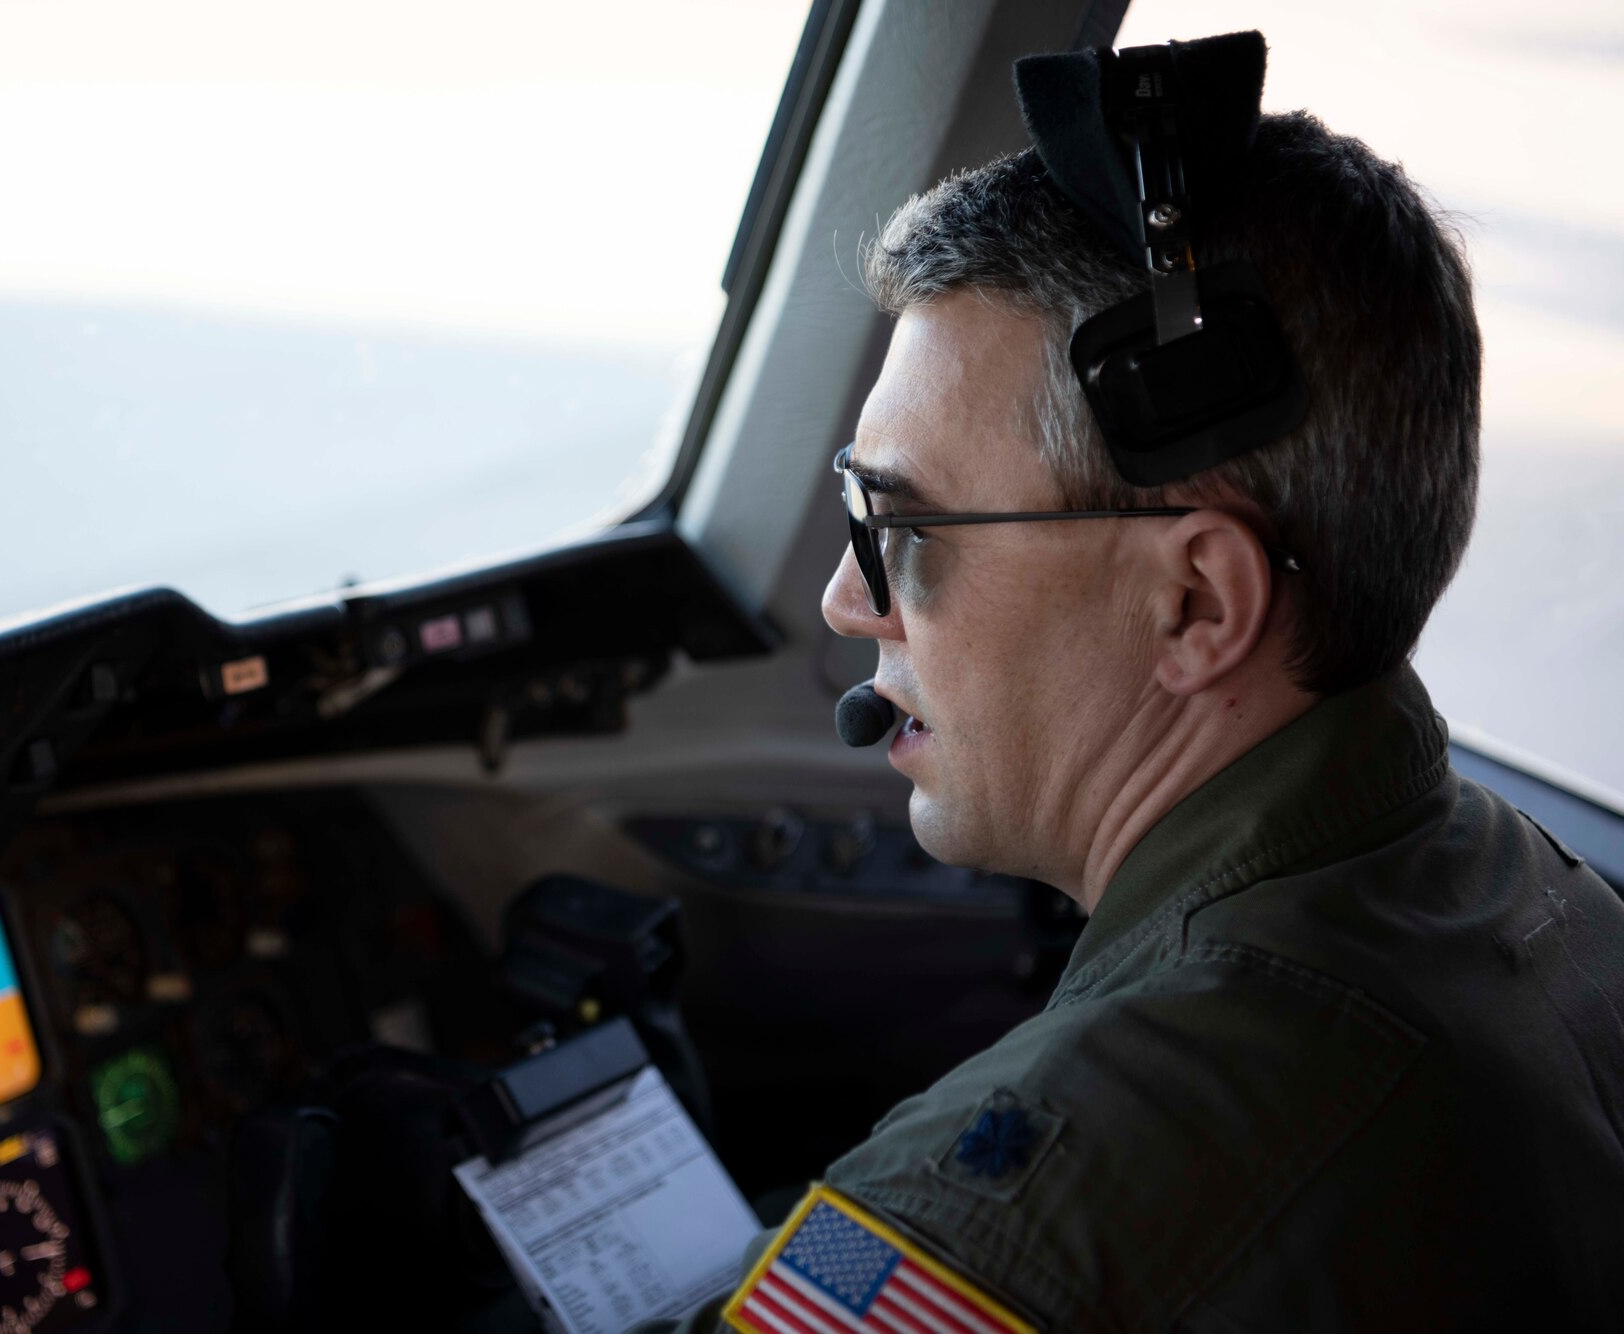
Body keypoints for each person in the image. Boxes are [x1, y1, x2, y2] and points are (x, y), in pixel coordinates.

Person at [650, 52, 1624, 1334]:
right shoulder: (1542, 893)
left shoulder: (1008, 1228)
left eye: (898, 522)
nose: (846, 599)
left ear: (1196, 605)